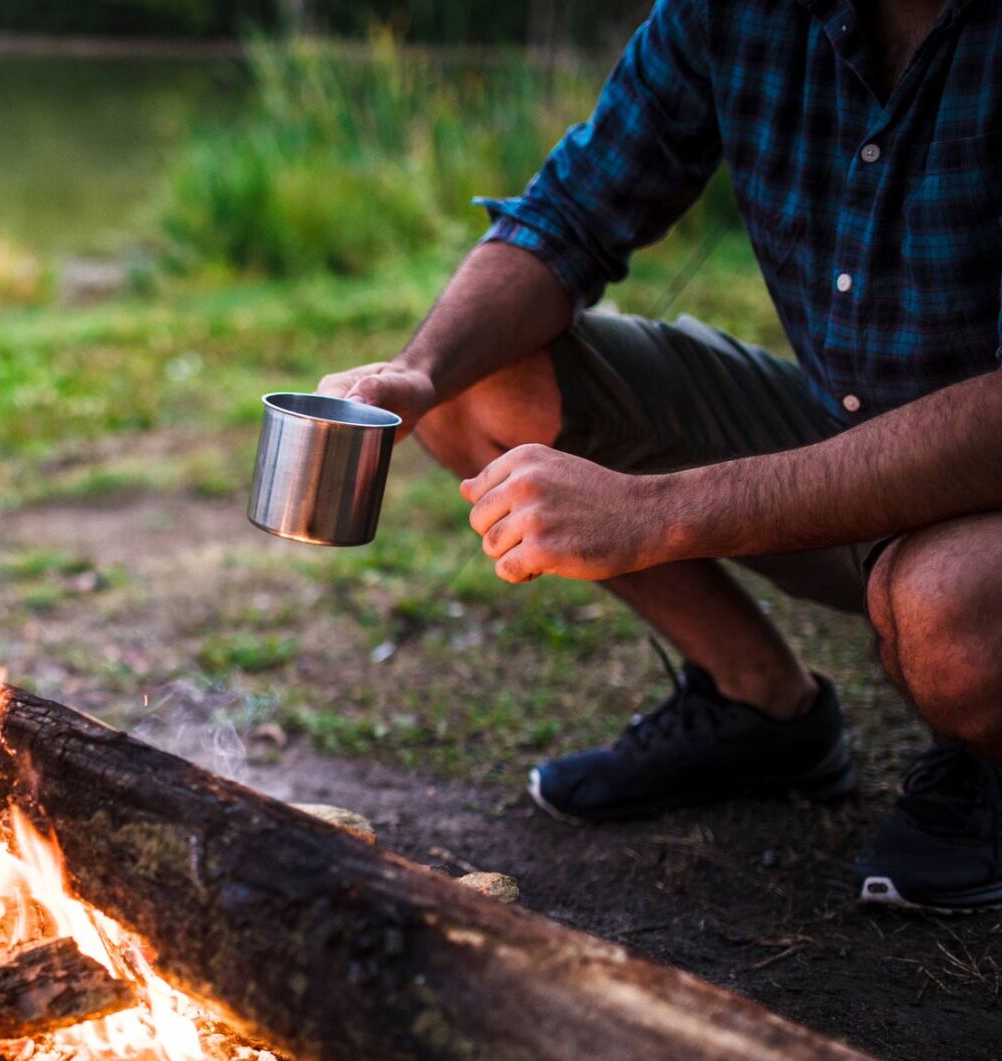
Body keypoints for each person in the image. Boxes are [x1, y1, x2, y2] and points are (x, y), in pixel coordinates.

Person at [316, 0, 1001, 911]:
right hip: (838, 434)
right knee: (473, 382)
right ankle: (761, 707)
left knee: (953, 615)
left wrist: (653, 513)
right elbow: (569, 214)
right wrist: (413, 372)